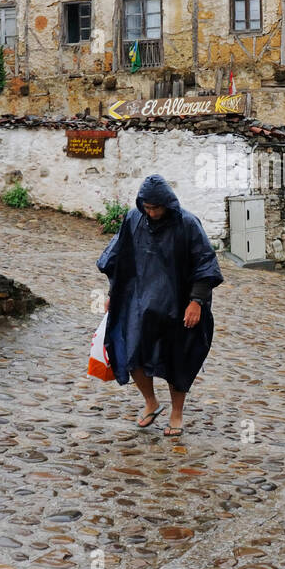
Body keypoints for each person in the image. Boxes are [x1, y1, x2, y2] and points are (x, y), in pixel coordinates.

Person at [97, 174, 223, 437]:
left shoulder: (187, 224)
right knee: (132, 354)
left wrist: (196, 302)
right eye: (147, 207)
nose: (151, 212)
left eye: (156, 207)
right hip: (138, 302)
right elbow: (119, 258)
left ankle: (176, 414)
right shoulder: (134, 219)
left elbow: (204, 263)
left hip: (177, 306)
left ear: (167, 203)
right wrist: (114, 293)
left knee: (177, 360)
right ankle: (151, 402)